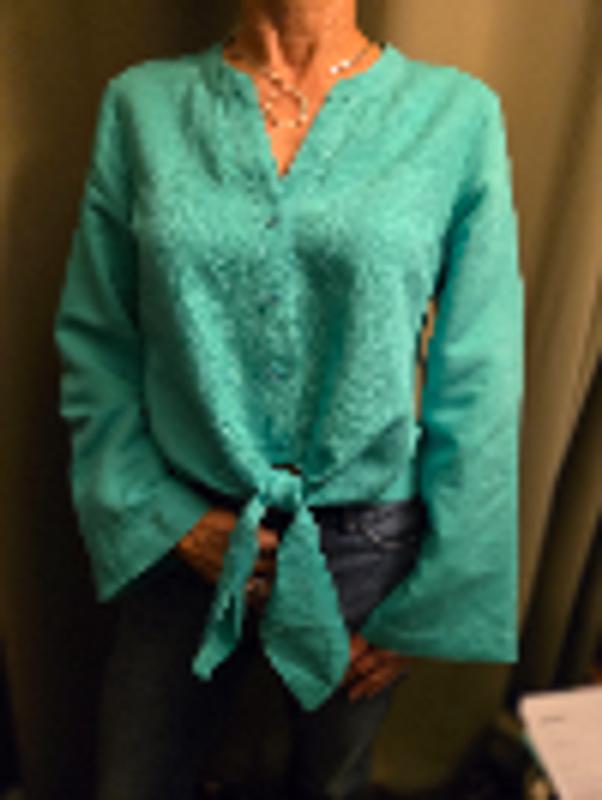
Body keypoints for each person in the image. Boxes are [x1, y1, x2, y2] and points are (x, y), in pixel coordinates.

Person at [53, 0, 524, 797]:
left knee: (332, 785)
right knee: (134, 780)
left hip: (367, 547)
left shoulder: (456, 116)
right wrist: (157, 514)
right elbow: (100, 340)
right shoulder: (143, 105)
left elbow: (481, 368)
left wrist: (439, 593)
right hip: (185, 532)